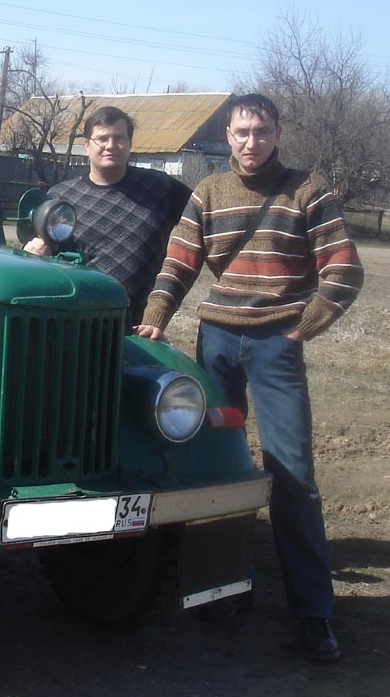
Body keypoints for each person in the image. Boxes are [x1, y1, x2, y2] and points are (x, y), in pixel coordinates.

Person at [136, 93, 363, 662]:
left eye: (260, 131)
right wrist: (157, 316)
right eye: (241, 132)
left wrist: (301, 329)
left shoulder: (308, 189)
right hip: (216, 341)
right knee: (216, 470)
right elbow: (178, 263)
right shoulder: (208, 191)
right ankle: (222, 589)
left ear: (277, 132)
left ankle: (313, 612)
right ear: (228, 136)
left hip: (276, 345)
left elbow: (344, 270)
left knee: (293, 475)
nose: (250, 142)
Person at [24, 106, 191, 323]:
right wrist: (34, 254)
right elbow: (42, 253)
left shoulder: (161, 188)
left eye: (119, 138)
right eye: (102, 139)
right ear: (87, 145)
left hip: (139, 322)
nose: (111, 145)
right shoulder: (60, 197)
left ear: (129, 143)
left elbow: (203, 220)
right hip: (75, 317)